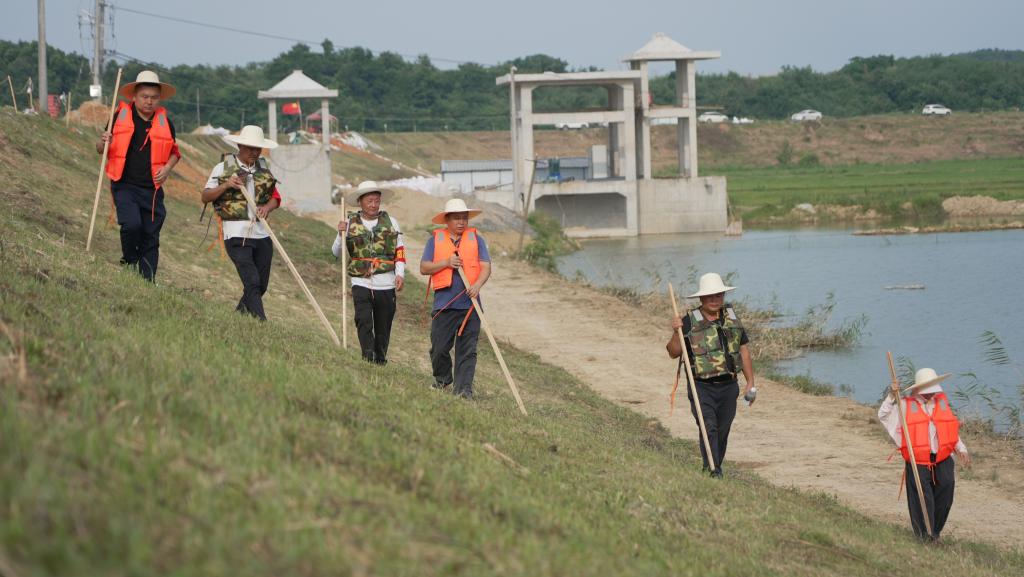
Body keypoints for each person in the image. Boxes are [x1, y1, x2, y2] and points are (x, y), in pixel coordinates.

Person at [666, 272, 756, 478]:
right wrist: (675, 331)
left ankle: (713, 466)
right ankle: (714, 471)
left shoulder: (732, 319)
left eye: (719, 295)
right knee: (709, 428)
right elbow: (672, 352)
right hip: (701, 387)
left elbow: (743, 351)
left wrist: (750, 382)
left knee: (722, 431)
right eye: (710, 296)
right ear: (702, 298)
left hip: (729, 386)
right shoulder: (689, 321)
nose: (715, 300)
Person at [95, 70, 180, 281]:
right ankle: (130, 260)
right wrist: (103, 140)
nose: (149, 101)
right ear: (134, 96)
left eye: (154, 97)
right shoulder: (118, 118)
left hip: (152, 190)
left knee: (151, 235)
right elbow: (100, 148)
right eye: (145, 97)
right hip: (124, 185)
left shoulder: (166, 123)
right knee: (132, 225)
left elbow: (175, 154)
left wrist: (167, 169)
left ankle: (147, 280)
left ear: (159, 99)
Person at [200, 125, 282, 321]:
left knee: (261, 285)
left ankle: (238, 317)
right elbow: (205, 196)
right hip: (236, 234)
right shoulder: (223, 168)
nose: (254, 153)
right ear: (240, 145)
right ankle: (262, 323)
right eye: (250, 148)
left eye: (258, 149)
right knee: (251, 281)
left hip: (262, 234)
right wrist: (227, 184)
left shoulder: (264, 168)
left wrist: (267, 208)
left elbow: (276, 198)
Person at [878, 367, 970, 541]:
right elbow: (883, 415)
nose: (931, 394)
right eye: (928, 390)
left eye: (933, 389)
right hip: (918, 460)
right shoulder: (905, 404)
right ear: (918, 389)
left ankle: (934, 532)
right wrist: (891, 395)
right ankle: (924, 536)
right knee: (922, 499)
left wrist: (961, 448)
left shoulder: (941, 402)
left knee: (946, 494)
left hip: (942, 459)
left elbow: (949, 428)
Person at [419, 198, 491, 399]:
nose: (461, 222)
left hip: (470, 306)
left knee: (467, 351)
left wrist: (477, 286)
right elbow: (424, 268)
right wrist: (446, 262)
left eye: (464, 218)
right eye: (457, 218)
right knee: (439, 348)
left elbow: (485, 267)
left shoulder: (477, 240)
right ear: (447, 220)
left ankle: (463, 391)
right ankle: (443, 379)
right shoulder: (434, 241)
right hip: (445, 305)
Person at [332, 181, 406, 364]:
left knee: (383, 326)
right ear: (360, 202)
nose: (373, 205)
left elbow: (400, 250)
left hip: (386, 282)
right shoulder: (349, 223)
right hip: (360, 282)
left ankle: (380, 360)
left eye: (376, 201)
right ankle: (367, 356)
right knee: (363, 320)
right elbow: (336, 252)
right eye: (370, 201)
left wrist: (400, 274)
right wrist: (340, 234)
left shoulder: (392, 223)